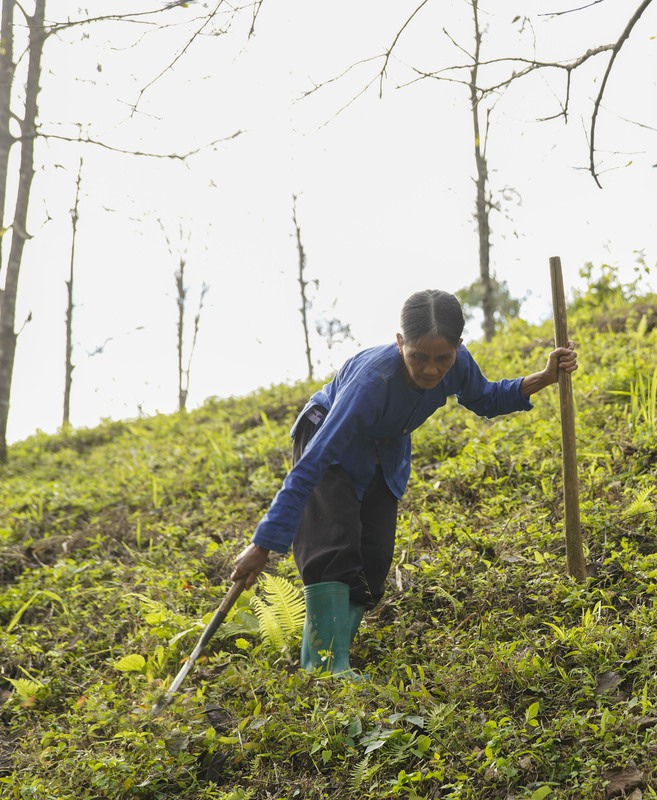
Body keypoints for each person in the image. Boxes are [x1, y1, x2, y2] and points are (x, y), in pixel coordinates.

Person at [231, 288, 578, 676]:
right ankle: (324, 668)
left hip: (384, 452)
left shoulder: (458, 363)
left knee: (374, 559)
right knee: (333, 548)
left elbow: (488, 398)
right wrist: (262, 545)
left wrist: (546, 376)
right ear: (400, 343)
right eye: (419, 357)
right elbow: (313, 463)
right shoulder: (371, 382)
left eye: (441, 358)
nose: (431, 370)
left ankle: (336, 654)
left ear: (458, 348)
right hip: (329, 445)